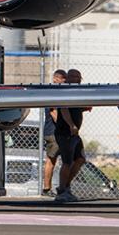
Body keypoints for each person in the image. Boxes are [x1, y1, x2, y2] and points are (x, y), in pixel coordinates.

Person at [54, 69, 86, 203]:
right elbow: (63, 108)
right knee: (67, 162)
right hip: (65, 132)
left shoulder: (78, 91)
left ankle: (66, 186)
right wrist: (71, 124)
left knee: (80, 158)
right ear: (68, 78)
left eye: (79, 77)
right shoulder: (65, 90)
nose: (77, 79)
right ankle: (62, 190)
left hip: (75, 133)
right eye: (74, 77)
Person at [42, 69, 68, 196]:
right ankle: (46, 188)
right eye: (64, 79)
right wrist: (64, 124)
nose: (66, 81)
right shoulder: (54, 92)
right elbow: (53, 111)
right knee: (51, 160)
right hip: (53, 132)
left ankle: (49, 188)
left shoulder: (52, 91)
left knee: (54, 159)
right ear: (58, 79)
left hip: (53, 131)